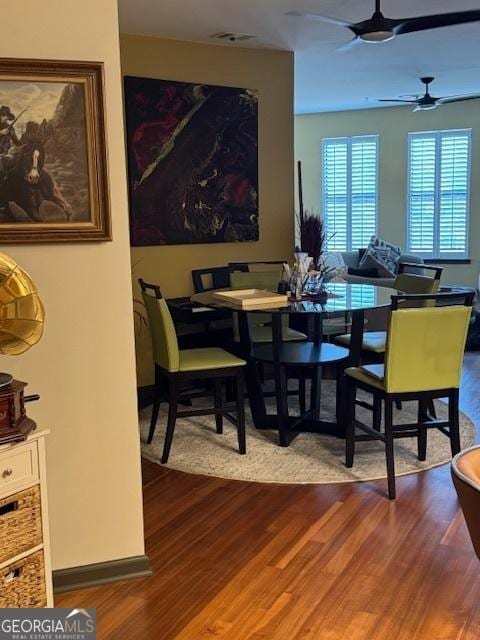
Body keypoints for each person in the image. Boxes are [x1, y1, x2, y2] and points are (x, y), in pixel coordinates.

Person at [0, 106, 21, 179]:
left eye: (7, 116)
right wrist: (1, 133)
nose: (5, 118)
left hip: (4, 155)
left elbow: (17, 142)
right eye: (3, 115)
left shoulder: (11, 129)